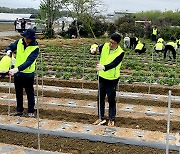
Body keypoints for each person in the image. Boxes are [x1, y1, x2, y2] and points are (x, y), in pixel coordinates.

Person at [91, 33, 125, 126]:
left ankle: (111, 118)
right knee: (100, 98)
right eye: (110, 42)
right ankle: (100, 117)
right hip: (101, 77)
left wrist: (104, 67)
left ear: (117, 44)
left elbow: (114, 64)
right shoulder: (105, 46)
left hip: (112, 79)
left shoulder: (120, 52)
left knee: (111, 99)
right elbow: (96, 50)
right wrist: (93, 50)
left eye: (113, 43)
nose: (110, 44)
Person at [7, 29, 39, 118]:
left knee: (29, 92)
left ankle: (31, 111)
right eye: (25, 37)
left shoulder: (35, 48)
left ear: (32, 38)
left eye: (27, 38)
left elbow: (29, 62)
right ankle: (19, 110)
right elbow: (10, 46)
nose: (25, 39)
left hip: (28, 74)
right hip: (18, 74)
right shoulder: (19, 42)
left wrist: (17, 69)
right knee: (18, 92)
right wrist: (9, 51)